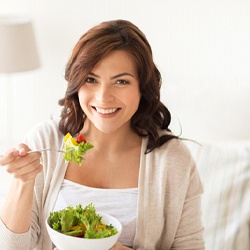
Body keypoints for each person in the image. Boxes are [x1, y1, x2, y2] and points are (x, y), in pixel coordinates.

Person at [0, 19, 205, 249]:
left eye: (121, 81)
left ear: (142, 87)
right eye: (91, 79)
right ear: (76, 83)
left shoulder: (173, 160)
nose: (103, 97)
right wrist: (23, 182)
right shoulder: (45, 142)